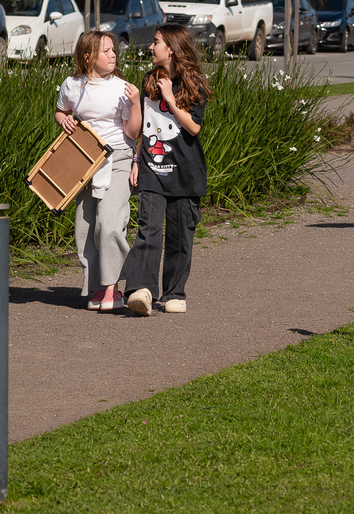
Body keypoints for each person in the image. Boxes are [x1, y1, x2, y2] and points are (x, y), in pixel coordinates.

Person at [121, 24, 211, 317]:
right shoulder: (150, 79)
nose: (151, 47)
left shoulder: (193, 82)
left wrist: (170, 99)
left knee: (180, 236)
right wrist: (136, 160)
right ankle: (142, 290)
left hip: (185, 171)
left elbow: (194, 127)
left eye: (156, 42)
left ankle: (175, 292)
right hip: (151, 166)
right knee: (148, 229)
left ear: (171, 48)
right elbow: (145, 127)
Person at [55, 31, 141, 311]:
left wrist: (137, 103)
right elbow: (61, 111)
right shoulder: (71, 85)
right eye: (106, 51)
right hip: (85, 161)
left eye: (114, 50)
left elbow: (132, 131)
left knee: (109, 223)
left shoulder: (123, 88)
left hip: (117, 158)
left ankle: (113, 288)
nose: (113, 54)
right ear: (87, 56)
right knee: (86, 227)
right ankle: (96, 287)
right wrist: (64, 121)